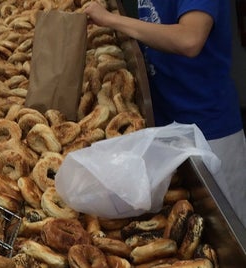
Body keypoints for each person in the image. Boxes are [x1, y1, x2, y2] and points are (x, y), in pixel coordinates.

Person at [84, 1, 246, 226]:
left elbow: (190, 39)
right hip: (165, 125)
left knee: (228, 229)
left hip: (208, 130)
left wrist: (111, 20)